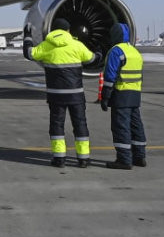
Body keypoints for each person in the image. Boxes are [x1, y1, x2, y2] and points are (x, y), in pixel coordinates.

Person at [28, 18, 98, 168]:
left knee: (57, 125)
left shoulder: (46, 46)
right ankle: (83, 159)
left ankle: (59, 158)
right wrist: (98, 52)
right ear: (67, 30)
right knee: (80, 124)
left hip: (56, 94)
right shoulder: (77, 45)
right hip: (76, 94)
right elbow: (92, 58)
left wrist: (28, 37)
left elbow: (29, 54)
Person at [100, 23, 146, 170]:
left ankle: (124, 159)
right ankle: (139, 157)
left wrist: (105, 97)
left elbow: (110, 77)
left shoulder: (115, 51)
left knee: (121, 127)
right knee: (136, 127)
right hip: (135, 95)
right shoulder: (134, 51)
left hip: (121, 95)